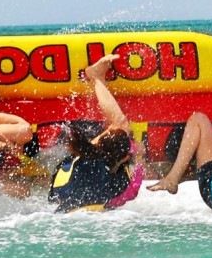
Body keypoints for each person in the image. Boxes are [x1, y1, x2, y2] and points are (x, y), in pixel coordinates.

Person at [48, 54, 145, 212]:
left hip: (62, 214)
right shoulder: (117, 189)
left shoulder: (72, 163)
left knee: (120, 124)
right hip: (93, 218)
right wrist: (140, 157)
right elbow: (133, 188)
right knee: (120, 124)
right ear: (125, 157)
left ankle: (97, 78)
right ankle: (96, 77)